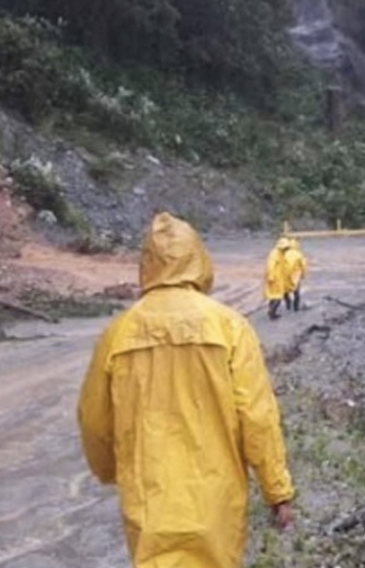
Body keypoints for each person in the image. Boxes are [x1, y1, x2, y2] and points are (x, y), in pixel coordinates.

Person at [77, 212, 294, 568]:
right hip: (216, 501)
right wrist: (277, 491)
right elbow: (258, 418)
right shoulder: (229, 327)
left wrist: (112, 471)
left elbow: (94, 422)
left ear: (146, 263)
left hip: (149, 500)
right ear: (198, 258)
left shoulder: (117, 333)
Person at [264, 237, 291, 320]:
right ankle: (272, 314)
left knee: (274, 296)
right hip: (275, 279)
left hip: (278, 278)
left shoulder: (280, 253)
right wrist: (271, 276)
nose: (286, 249)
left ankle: (271, 311)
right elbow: (270, 266)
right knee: (278, 297)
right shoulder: (275, 254)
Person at [283, 237, 307, 312]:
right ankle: (296, 307)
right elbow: (303, 266)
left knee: (285, 291)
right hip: (295, 275)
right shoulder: (299, 254)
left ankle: (288, 304)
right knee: (296, 292)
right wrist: (303, 275)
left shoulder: (284, 254)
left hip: (285, 275)